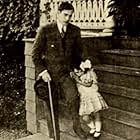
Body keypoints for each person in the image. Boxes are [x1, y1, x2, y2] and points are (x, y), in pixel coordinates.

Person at [32, 2, 86, 140]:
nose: (68, 18)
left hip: (65, 74)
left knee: (73, 98)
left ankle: (77, 127)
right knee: (51, 105)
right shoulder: (45, 30)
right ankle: (54, 135)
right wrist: (43, 72)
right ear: (58, 13)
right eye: (65, 15)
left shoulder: (75, 31)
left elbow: (79, 53)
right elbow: (35, 55)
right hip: (49, 75)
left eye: (70, 15)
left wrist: (85, 61)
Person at [70, 59, 109, 138]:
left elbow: (88, 84)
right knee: (85, 117)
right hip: (84, 99)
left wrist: (77, 80)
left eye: (80, 71)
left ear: (84, 69)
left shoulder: (88, 75)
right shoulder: (77, 77)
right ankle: (93, 127)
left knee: (96, 114)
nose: (78, 74)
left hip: (92, 96)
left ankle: (98, 130)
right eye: (76, 72)